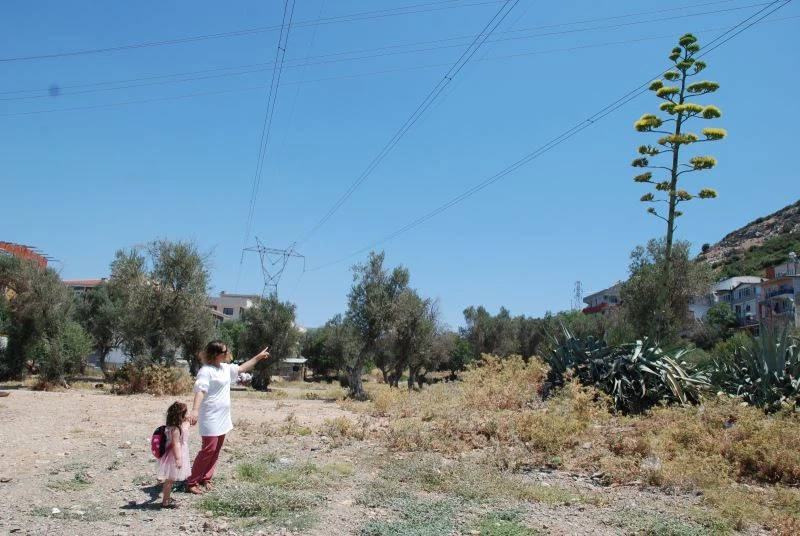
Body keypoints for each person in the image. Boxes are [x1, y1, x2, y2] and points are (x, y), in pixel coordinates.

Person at [186, 340, 271, 494]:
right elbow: (200, 390)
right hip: (210, 415)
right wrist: (195, 410)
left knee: (216, 449)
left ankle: (206, 478)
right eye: (223, 352)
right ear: (214, 354)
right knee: (209, 448)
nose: (226, 354)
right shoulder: (206, 371)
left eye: (226, 351)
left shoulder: (225, 368)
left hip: (223, 416)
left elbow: (242, 368)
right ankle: (192, 481)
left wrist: (258, 357)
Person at [157, 401, 190, 508]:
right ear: (180, 416)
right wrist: (178, 459)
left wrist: (188, 421)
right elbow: (175, 444)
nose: (188, 415)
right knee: (170, 479)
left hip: (171, 456)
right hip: (174, 456)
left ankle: (166, 499)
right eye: (186, 413)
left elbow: (186, 425)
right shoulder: (176, 430)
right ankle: (166, 501)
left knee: (169, 479)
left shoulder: (171, 427)